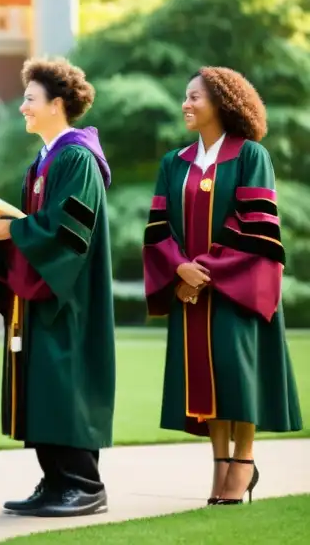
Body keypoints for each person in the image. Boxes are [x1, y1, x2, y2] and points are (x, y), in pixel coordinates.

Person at [142, 67, 302, 506]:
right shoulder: (174, 163)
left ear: (222, 103)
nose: (186, 104)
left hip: (237, 285)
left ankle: (244, 460)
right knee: (205, 380)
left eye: (195, 97)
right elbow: (159, 227)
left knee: (238, 372)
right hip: (189, 288)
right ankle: (219, 463)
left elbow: (255, 224)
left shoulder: (251, 156)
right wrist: (178, 270)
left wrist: (203, 270)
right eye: (185, 96)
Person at [0, 57, 115, 518]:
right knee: (42, 387)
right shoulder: (44, 160)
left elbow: (68, 231)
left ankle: (84, 484)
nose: (21, 107)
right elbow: (38, 224)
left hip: (69, 298)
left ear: (57, 104)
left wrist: (12, 231)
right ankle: (55, 480)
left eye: (29, 99)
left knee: (67, 385)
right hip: (41, 297)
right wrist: (3, 236)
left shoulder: (77, 157)